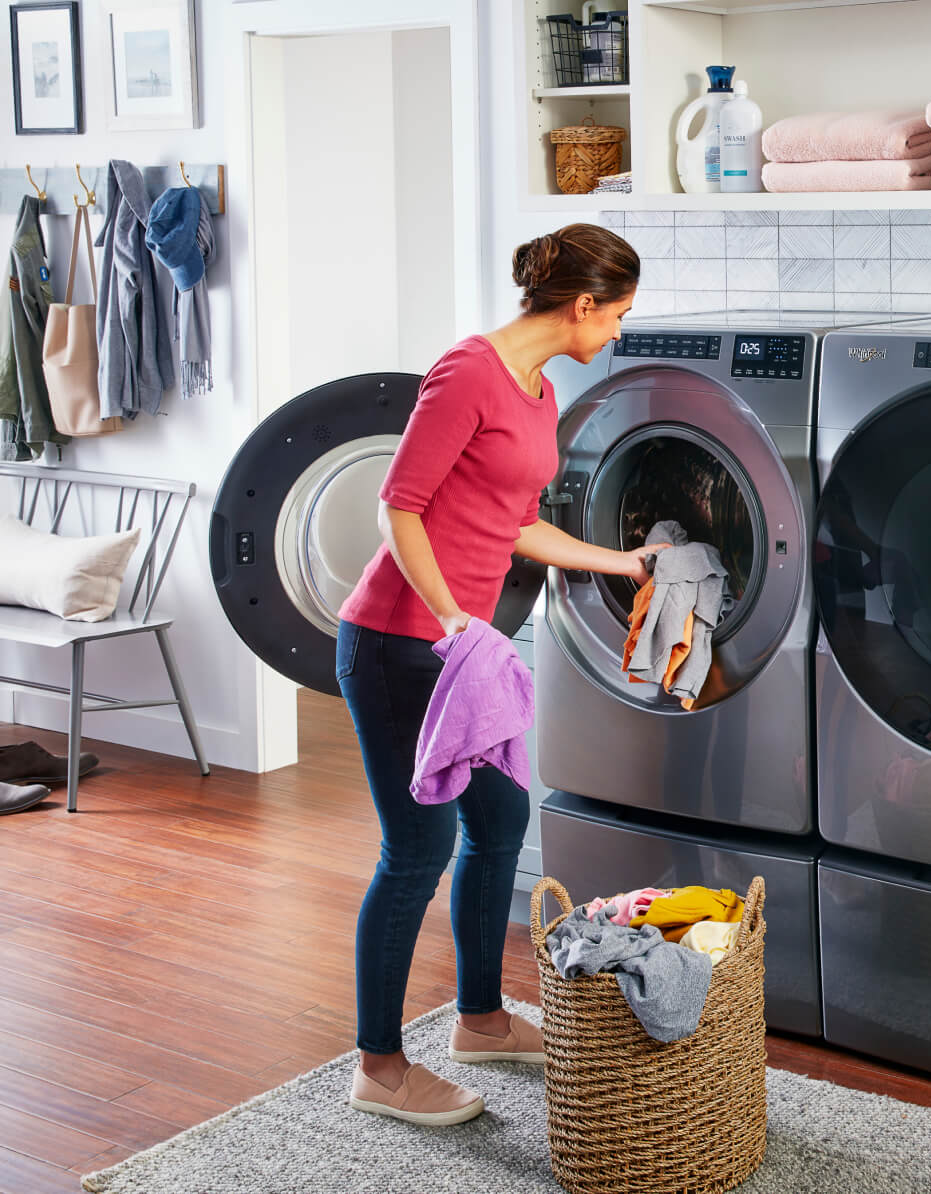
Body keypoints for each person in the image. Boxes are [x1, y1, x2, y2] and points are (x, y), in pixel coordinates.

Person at [336, 224, 663, 1125]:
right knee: (417, 850)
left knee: (502, 818)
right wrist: (450, 620)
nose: (619, 335)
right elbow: (399, 508)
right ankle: (379, 1065)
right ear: (583, 304)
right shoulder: (467, 372)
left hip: (455, 650)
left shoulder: (538, 388)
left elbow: (515, 523)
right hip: (402, 644)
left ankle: (480, 1018)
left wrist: (622, 563)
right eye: (620, 316)